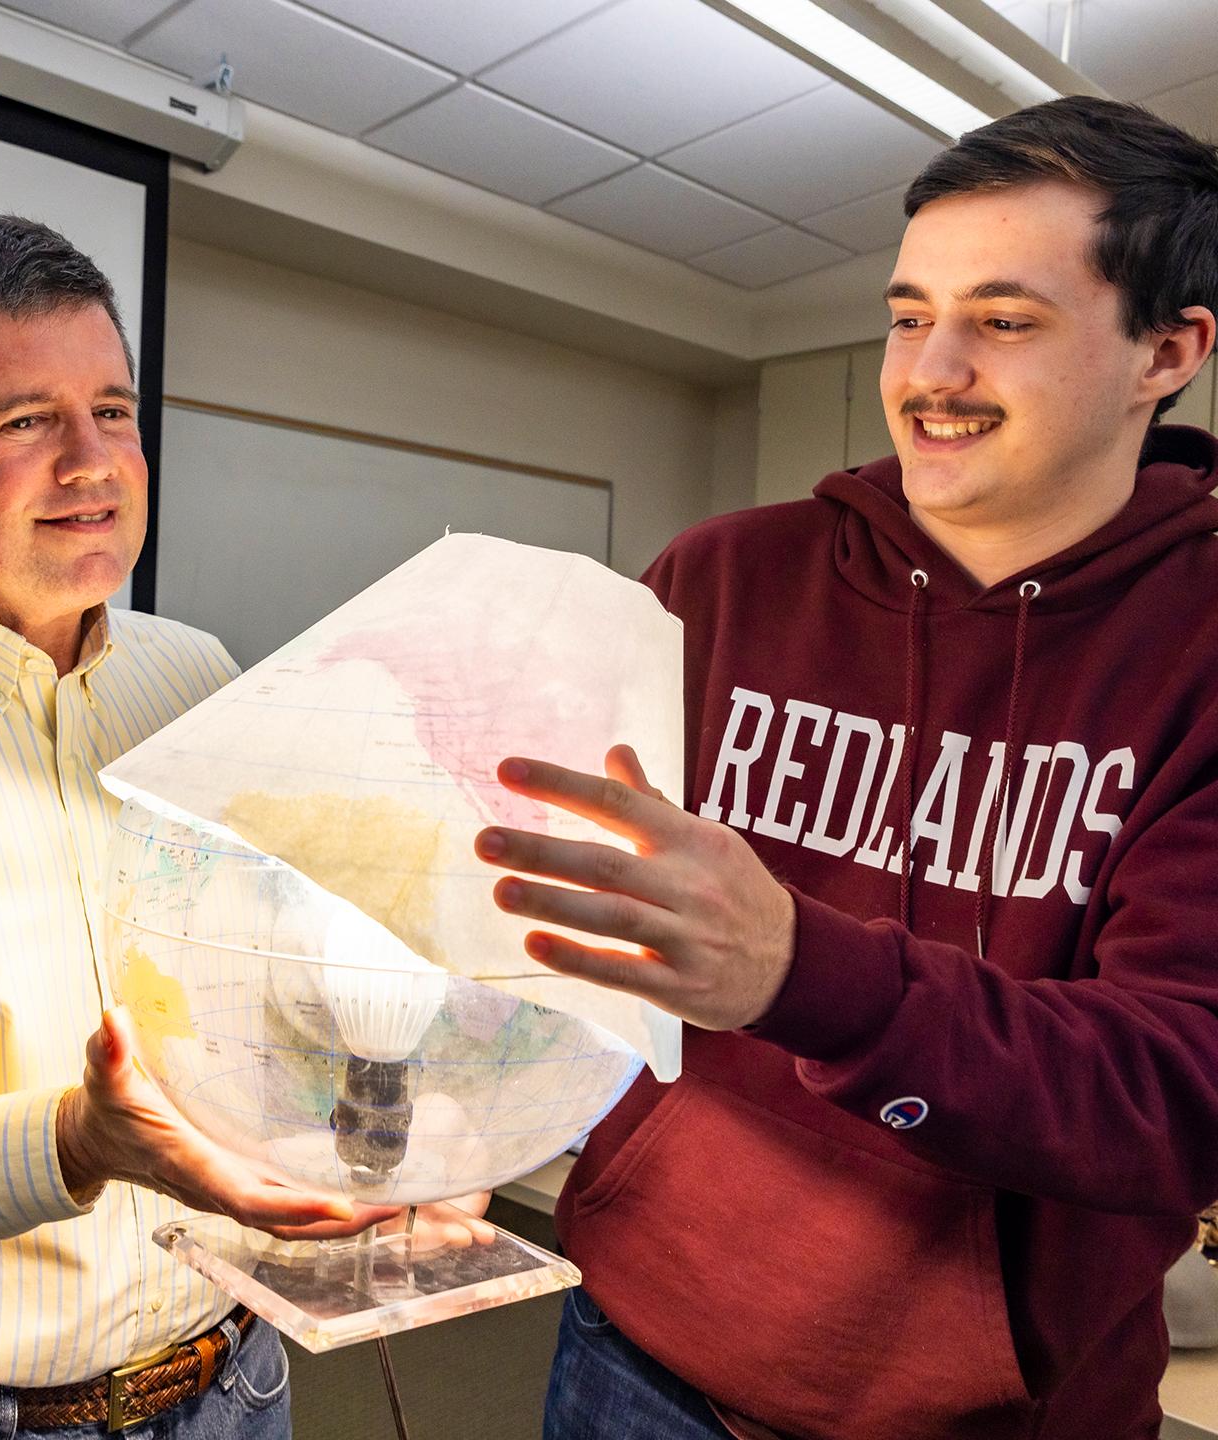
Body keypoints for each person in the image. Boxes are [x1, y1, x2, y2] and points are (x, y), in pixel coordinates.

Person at [475, 97, 1218, 1440]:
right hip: (636, 1342)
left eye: (1004, 320)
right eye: (907, 311)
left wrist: (798, 975)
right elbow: (541, 899)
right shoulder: (721, 576)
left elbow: (1181, 1088)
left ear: (1166, 350)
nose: (930, 370)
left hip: (997, 1412)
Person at [0, 209, 412, 1439]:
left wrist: (386, 1090)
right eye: (28, 421)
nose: (94, 463)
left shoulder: (197, 677)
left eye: (113, 411)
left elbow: (267, 1002)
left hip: (236, 1381)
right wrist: (72, 1142)